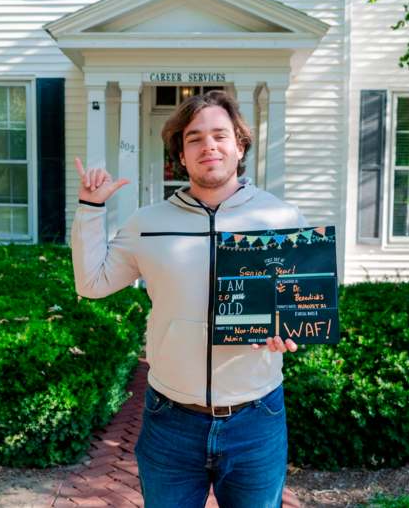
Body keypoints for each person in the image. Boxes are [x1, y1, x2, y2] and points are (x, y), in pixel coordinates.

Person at [71, 90, 306, 507]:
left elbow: (301, 306)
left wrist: (290, 332)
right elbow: (92, 283)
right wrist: (91, 207)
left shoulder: (281, 219)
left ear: (240, 145)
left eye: (220, 135)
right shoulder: (148, 222)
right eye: (194, 138)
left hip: (257, 418)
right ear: (181, 154)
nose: (208, 146)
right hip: (171, 420)